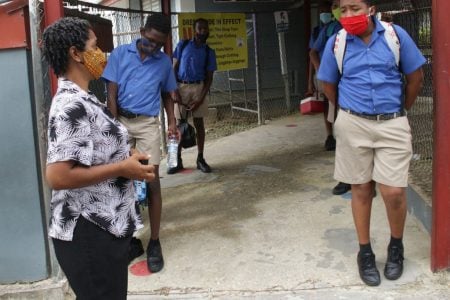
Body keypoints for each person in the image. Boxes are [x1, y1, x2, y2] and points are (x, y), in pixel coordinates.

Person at [43, 17, 155, 299]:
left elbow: (92, 151)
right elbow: (57, 175)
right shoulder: (71, 104)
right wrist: (122, 167)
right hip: (87, 232)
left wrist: (126, 155)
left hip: (103, 226)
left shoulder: (85, 98)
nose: (101, 52)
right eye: (94, 45)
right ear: (75, 53)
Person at [317, 0, 425, 286]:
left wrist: (401, 110)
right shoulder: (337, 42)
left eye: (355, 8)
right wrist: (345, 114)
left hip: (392, 122)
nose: (349, 15)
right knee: (361, 189)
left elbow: (416, 77)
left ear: (371, 9)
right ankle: (364, 253)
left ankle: (396, 247)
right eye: (344, 10)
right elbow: (328, 83)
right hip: (353, 123)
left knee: (394, 192)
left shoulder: (395, 36)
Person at [102, 13, 178, 273]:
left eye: (159, 44)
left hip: (147, 124)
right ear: (142, 30)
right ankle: (130, 240)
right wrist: (114, 129)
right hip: (121, 119)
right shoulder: (120, 54)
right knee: (122, 181)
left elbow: (168, 94)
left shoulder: (164, 62)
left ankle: (154, 241)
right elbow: (111, 93)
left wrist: (172, 122)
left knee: (151, 179)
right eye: (150, 41)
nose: (153, 47)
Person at [310, 0, 351, 196]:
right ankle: (346, 177)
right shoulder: (332, 31)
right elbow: (313, 53)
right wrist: (323, 76)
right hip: (339, 86)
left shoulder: (376, 31)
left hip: (359, 90)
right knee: (342, 128)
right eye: (340, 7)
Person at [168, 18, 217, 174]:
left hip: (199, 88)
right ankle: (176, 161)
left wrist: (200, 99)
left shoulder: (209, 52)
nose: (203, 31)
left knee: (199, 124)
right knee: (177, 125)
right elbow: (173, 68)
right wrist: (174, 89)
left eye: (205, 29)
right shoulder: (183, 45)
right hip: (180, 87)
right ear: (194, 30)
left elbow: (209, 79)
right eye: (200, 28)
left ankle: (200, 159)